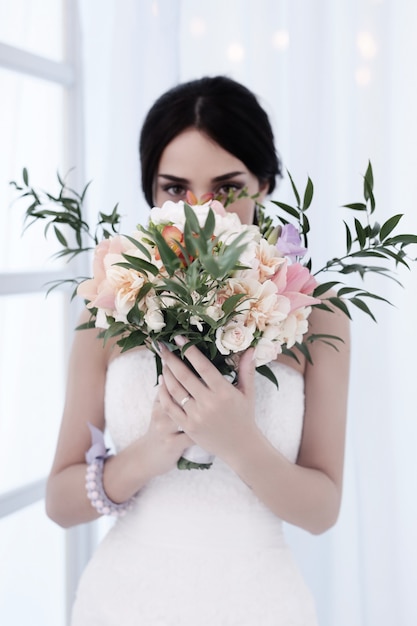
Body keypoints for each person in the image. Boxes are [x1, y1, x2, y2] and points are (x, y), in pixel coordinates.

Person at [46, 76, 350, 625]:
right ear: (150, 193)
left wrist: (238, 440)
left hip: (260, 603)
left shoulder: (314, 310)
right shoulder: (111, 302)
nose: (201, 210)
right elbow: (59, 502)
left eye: (227, 187)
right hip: (125, 601)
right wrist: (150, 453)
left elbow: (323, 511)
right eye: (175, 189)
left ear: (264, 184)